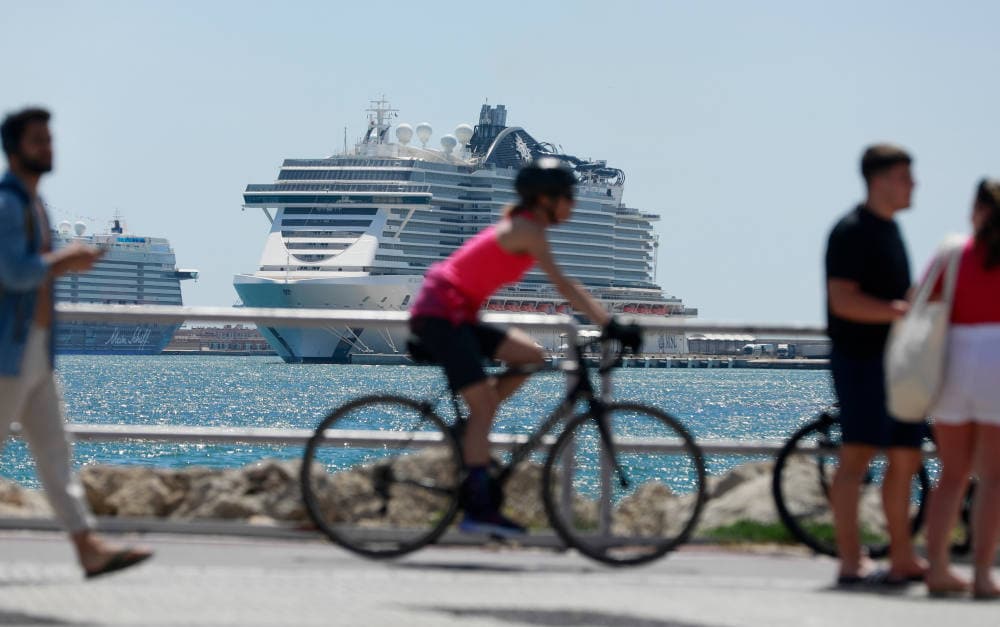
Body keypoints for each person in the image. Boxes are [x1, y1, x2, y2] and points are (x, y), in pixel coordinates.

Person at [408, 157, 640, 536]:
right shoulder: (527, 230)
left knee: (531, 355)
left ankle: (474, 429)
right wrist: (610, 324)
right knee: (483, 406)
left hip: (458, 314)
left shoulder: (527, 228)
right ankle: (478, 510)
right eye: (568, 197)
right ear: (545, 200)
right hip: (441, 314)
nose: (573, 205)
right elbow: (566, 287)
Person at [0, 107, 152, 578]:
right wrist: (65, 260)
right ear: (15, 148)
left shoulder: (35, 202)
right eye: (38, 141)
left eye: (50, 139)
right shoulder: (8, 204)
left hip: (37, 350)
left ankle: (87, 546)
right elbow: (14, 272)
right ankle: (86, 545)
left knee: (55, 453)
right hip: (8, 350)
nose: (49, 148)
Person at [824, 144, 927, 585]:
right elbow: (842, 300)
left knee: (905, 457)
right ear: (881, 180)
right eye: (906, 176)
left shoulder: (891, 229)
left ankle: (902, 556)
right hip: (861, 361)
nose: (914, 185)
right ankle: (850, 560)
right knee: (856, 459)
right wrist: (899, 312)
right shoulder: (850, 231)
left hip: (899, 365)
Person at [922, 179, 1000, 599]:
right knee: (993, 479)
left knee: (951, 474)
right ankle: (984, 574)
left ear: (977, 210)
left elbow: (919, 301)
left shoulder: (953, 254)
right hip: (998, 363)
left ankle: (938, 567)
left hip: (955, 359)